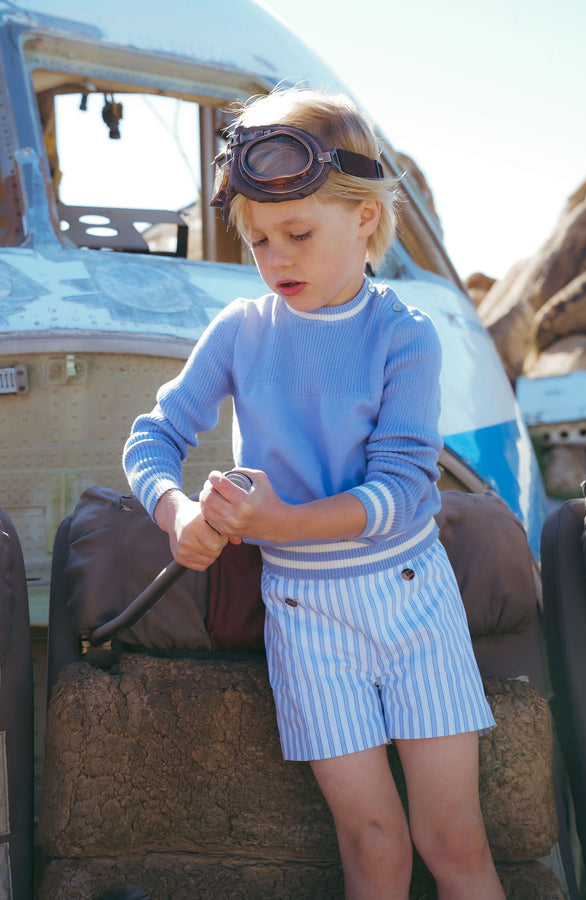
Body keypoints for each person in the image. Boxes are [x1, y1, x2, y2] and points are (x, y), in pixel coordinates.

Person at [123, 86, 505, 899]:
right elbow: (152, 438)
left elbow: (403, 489)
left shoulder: (405, 336)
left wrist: (282, 522)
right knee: (373, 847)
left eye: (298, 233)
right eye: (258, 241)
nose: (276, 259)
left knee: (456, 842)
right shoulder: (238, 331)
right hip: (304, 619)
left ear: (365, 218)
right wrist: (178, 512)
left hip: (413, 607)